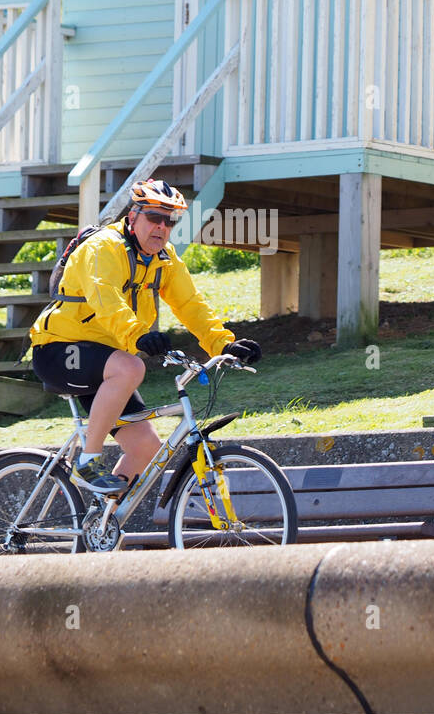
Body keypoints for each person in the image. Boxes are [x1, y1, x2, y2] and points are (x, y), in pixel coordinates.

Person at [28, 179, 262, 495]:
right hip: (59, 349)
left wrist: (223, 343)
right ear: (133, 215)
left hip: (107, 364)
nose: (162, 227)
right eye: (155, 217)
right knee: (132, 369)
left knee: (147, 449)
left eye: (170, 220)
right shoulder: (103, 248)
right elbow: (105, 299)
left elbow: (190, 304)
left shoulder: (163, 260)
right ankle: (88, 462)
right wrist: (138, 335)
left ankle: (102, 528)